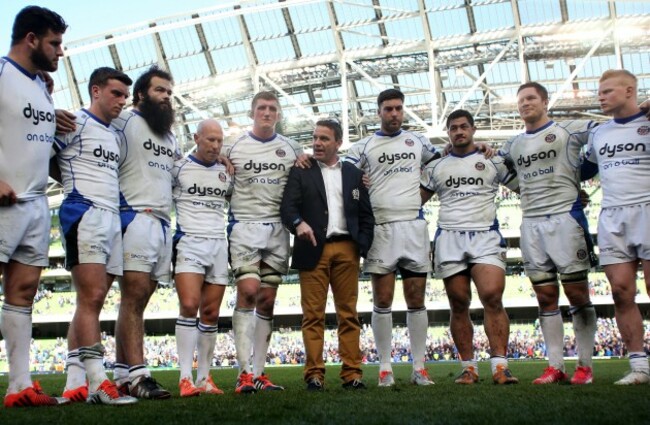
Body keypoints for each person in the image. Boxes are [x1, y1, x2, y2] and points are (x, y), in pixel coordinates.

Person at [499, 82, 597, 385]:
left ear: (545, 102)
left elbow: (604, 133)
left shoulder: (567, 131)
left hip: (565, 219)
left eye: (531, 98)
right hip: (530, 223)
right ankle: (555, 366)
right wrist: (520, 188)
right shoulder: (513, 144)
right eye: (521, 100)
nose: (525, 104)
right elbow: (496, 166)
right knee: (545, 295)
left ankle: (585, 366)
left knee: (577, 293)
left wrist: (582, 173)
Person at [52, 67, 138, 405]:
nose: (121, 102)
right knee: (91, 297)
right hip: (83, 212)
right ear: (96, 91)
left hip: (111, 217)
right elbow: (41, 158)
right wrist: (71, 182)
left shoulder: (115, 134)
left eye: (125, 97)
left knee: (95, 300)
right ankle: (100, 383)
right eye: (116, 94)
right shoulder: (73, 122)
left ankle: (75, 382)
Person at [344, 89, 438, 386]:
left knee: (416, 298)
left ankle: (419, 368)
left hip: (413, 225)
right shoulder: (363, 146)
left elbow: (439, 169)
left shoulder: (418, 141)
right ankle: (385, 368)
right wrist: (359, 184)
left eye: (399, 108)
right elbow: (343, 177)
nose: (394, 113)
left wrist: (419, 197)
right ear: (379, 112)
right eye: (388, 109)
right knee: (383, 299)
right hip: (381, 228)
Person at [0, 6, 69, 408]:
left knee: (23, 292)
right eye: (54, 43)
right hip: (3, 202)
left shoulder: (42, 87)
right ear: (31, 39)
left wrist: (51, 110)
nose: (60, 52)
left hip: (36, 203)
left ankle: (19, 387)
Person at [420, 109, 519, 385]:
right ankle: (468, 367)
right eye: (454, 128)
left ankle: (500, 366)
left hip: (485, 235)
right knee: (459, 303)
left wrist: (573, 193)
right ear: (449, 133)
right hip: (449, 237)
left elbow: (525, 186)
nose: (459, 131)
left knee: (492, 296)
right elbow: (415, 199)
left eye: (464, 126)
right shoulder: (437, 166)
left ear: (473, 129)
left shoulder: (493, 160)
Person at [281, 120, 374, 391]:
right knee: (312, 315)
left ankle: (352, 374)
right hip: (312, 247)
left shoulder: (354, 174)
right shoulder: (302, 170)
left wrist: (362, 245)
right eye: (315, 138)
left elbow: (366, 214)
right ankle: (314, 375)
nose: (317, 143)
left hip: (347, 248)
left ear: (338, 143)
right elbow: (287, 207)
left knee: (349, 314)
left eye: (324, 138)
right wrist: (298, 223)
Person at [225, 91, 305, 393]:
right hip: (244, 226)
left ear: (279, 114)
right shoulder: (233, 145)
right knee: (247, 292)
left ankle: (259, 372)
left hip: (277, 229)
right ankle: (243, 372)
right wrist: (219, 157)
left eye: (272, 108)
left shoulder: (291, 147)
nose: (267, 113)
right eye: (262, 108)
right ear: (252, 113)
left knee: (268, 302)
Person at [110, 66, 181, 399]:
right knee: (134, 294)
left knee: (141, 297)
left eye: (169, 91)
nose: (166, 96)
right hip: (134, 216)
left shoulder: (170, 135)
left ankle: (123, 373)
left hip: (163, 223)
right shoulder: (124, 121)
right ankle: (139, 376)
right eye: (159, 90)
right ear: (140, 94)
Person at [582, 69, 650, 385]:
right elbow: (580, 168)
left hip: (647, 210)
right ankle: (639, 367)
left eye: (608, 90)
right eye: (600, 91)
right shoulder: (599, 133)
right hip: (611, 215)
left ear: (629, 91)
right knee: (621, 291)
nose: (601, 96)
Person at [172, 119, 233, 396]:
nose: (215, 145)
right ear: (196, 138)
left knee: (210, 313)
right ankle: (185, 377)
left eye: (219, 140)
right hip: (189, 242)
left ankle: (204, 378)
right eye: (210, 139)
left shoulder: (225, 170)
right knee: (189, 304)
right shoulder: (179, 168)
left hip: (218, 244)